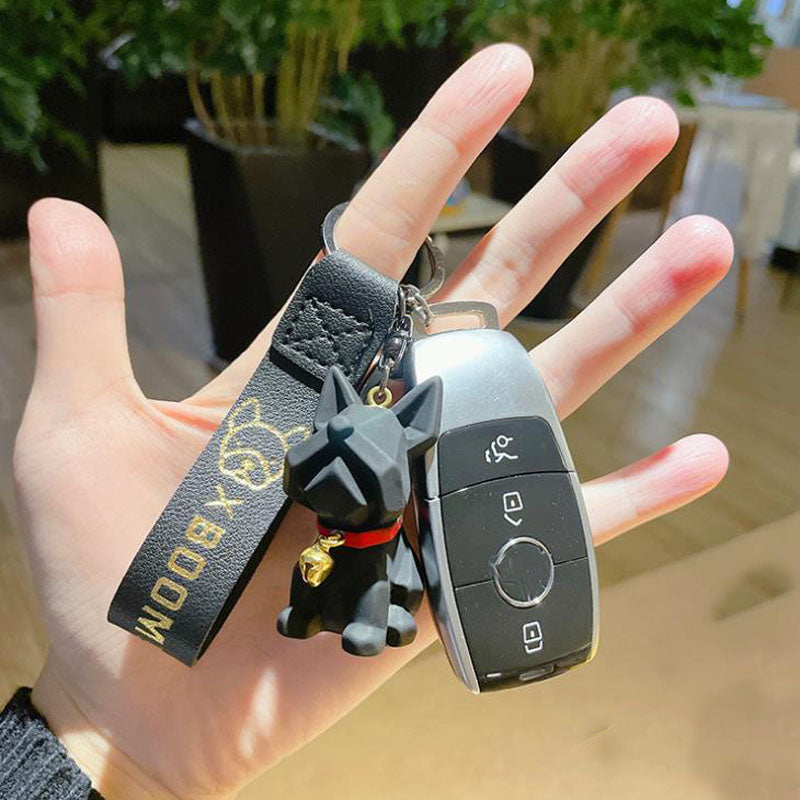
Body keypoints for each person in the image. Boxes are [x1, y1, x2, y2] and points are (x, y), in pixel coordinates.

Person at [1, 44, 731, 799]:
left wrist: (104, 735)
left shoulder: (401, 453)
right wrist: (104, 729)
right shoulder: (322, 466)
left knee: (384, 588)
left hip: (379, 551)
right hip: (271, 578)